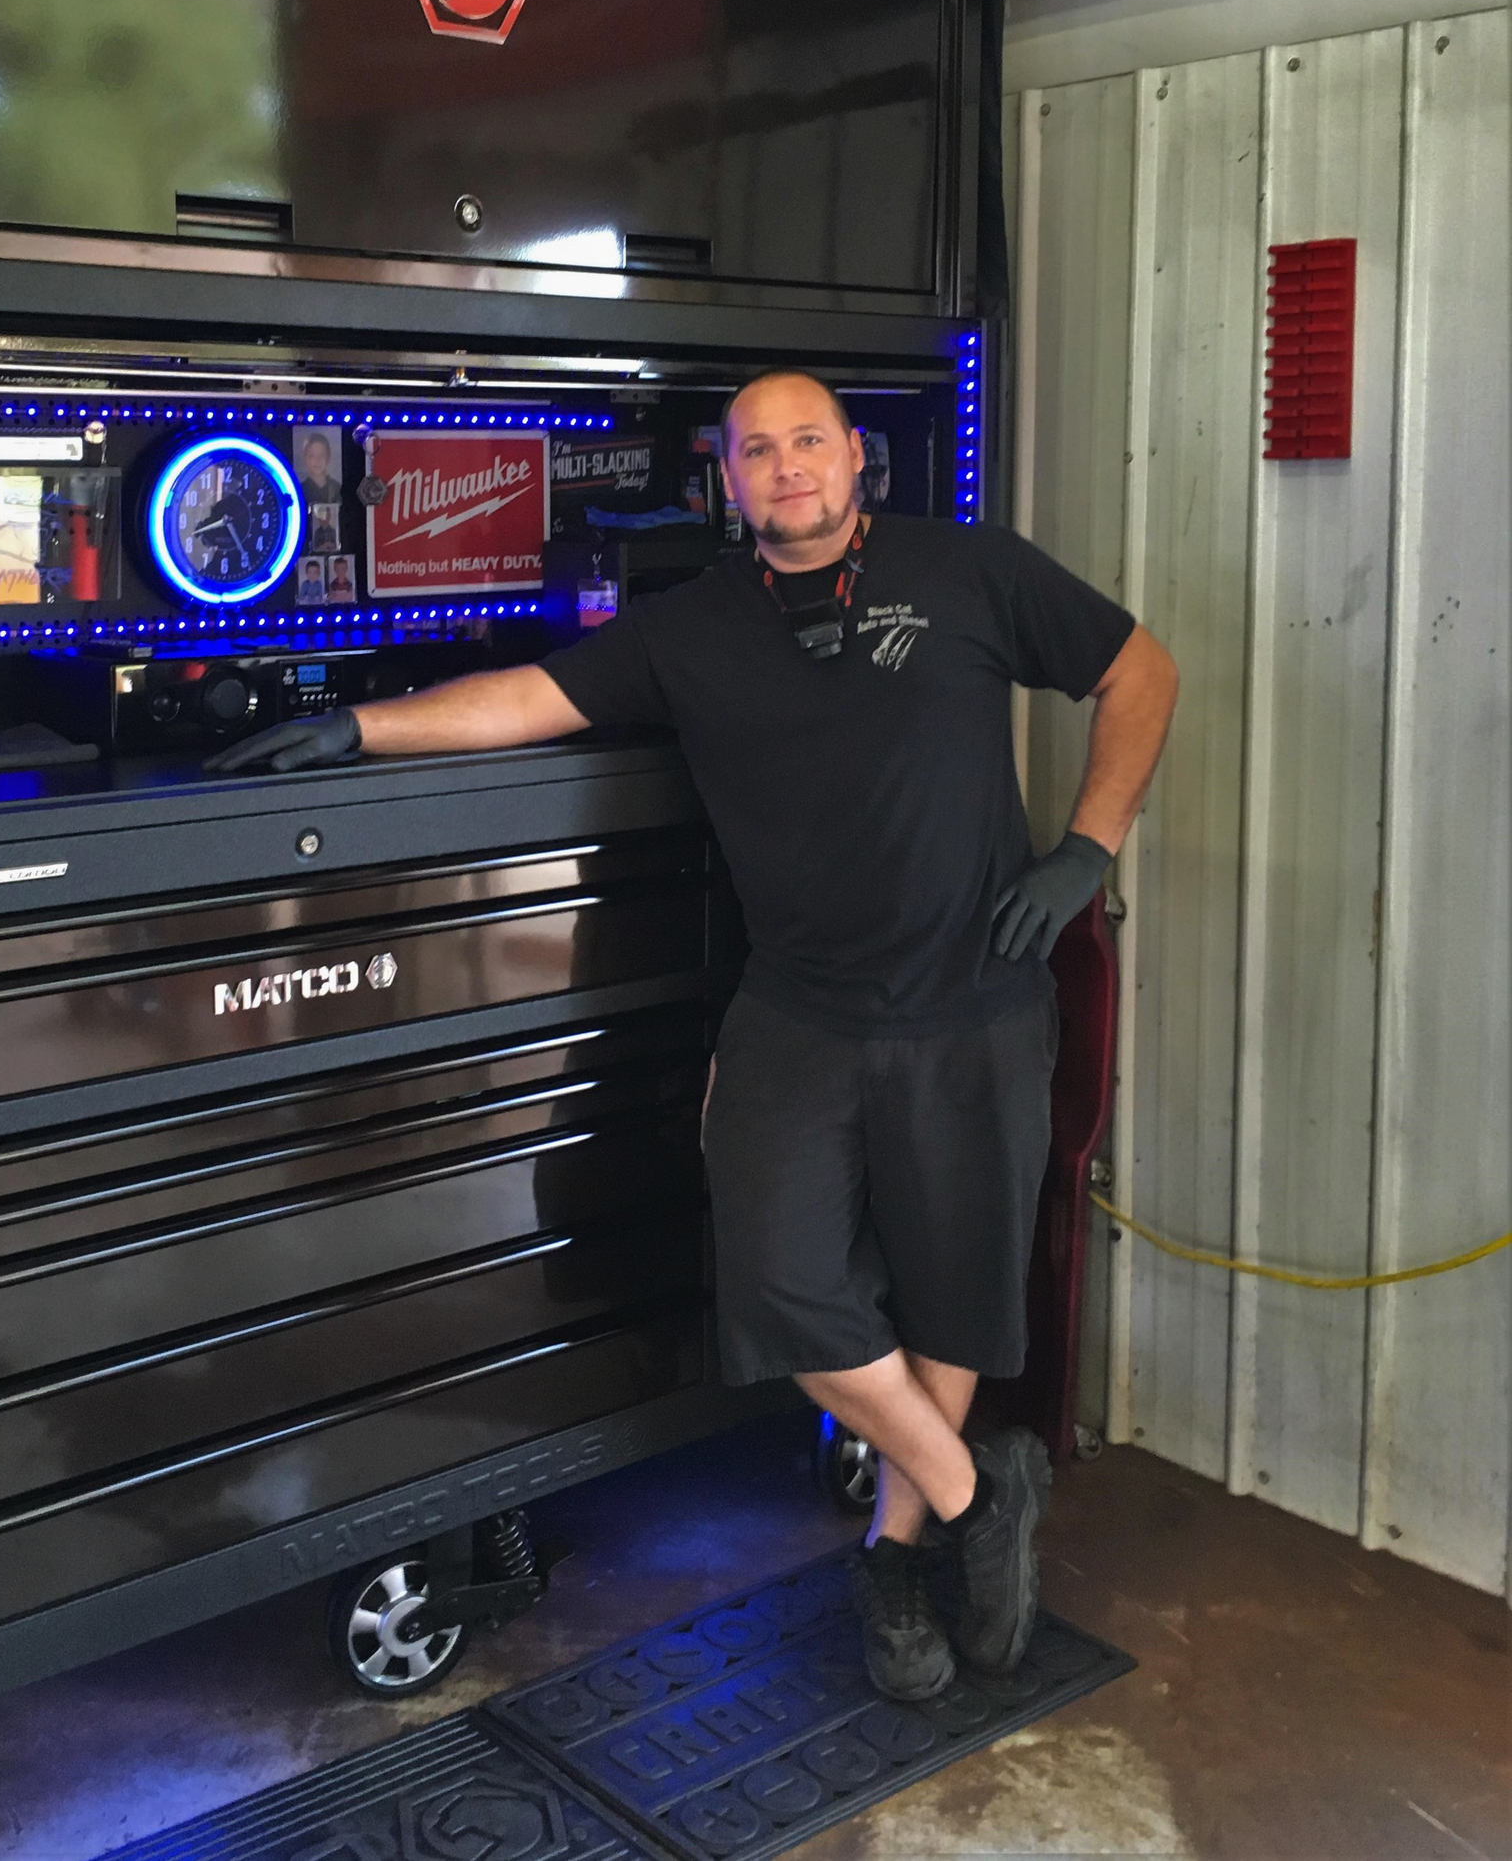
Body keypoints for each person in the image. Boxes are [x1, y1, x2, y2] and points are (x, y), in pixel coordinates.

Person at [209, 368, 1178, 1700]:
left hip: (977, 1002)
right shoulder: (691, 630)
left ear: (856, 462)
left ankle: (897, 1563)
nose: (786, 467)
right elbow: (529, 696)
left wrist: (1088, 844)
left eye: (808, 443)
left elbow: (1139, 669)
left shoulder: (973, 572)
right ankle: (976, 1491)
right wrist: (353, 727)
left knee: (953, 1291)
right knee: (779, 1285)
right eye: (756, 451)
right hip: (799, 1010)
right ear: (725, 481)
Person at [295, 430, 344, 507]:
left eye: (321, 455)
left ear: (328, 458)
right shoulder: (299, 491)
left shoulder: (337, 489)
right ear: (305, 459)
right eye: (312, 456)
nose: (317, 460)